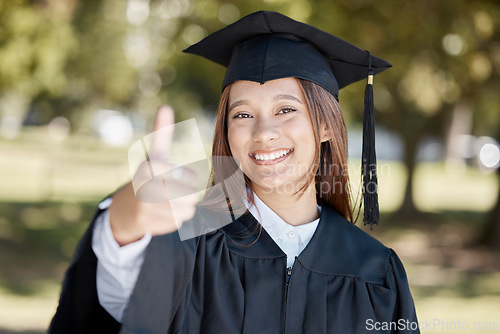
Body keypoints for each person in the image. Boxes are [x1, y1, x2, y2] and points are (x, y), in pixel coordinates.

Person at [49, 11, 419, 334]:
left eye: (286, 109)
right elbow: (115, 298)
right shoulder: (188, 243)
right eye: (241, 114)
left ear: (325, 125)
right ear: (225, 130)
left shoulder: (375, 272)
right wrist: (124, 222)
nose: (263, 132)